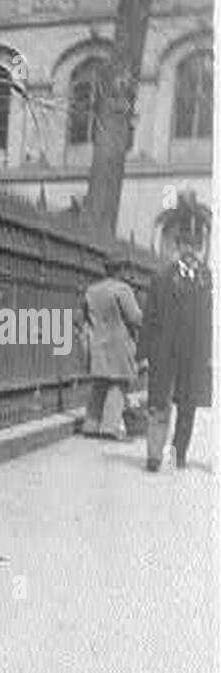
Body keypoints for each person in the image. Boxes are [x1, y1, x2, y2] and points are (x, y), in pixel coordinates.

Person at [140, 196, 213, 472]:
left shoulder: (207, 280)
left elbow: (209, 324)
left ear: (200, 248)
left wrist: (207, 357)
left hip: (193, 355)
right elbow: (149, 318)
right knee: (159, 403)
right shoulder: (162, 278)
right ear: (177, 246)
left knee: (187, 408)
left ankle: (177, 454)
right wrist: (144, 354)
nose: (190, 251)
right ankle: (154, 456)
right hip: (164, 351)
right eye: (185, 245)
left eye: (195, 247)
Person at [80, 254, 142, 439]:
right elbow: (135, 317)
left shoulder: (91, 290)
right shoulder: (123, 290)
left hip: (98, 342)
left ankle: (90, 425)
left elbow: (83, 316)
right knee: (118, 383)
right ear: (121, 270)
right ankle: (109, 427)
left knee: (99, 384)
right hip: (119, 343)